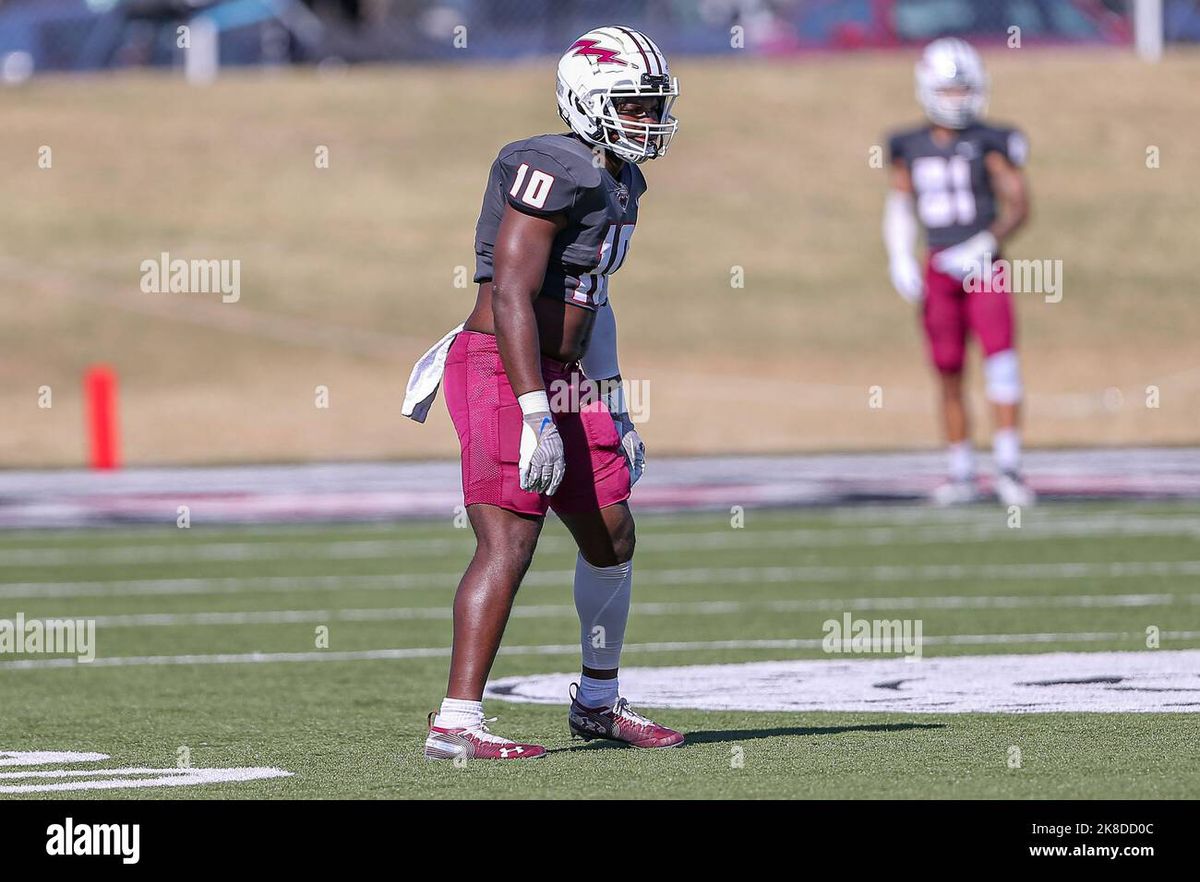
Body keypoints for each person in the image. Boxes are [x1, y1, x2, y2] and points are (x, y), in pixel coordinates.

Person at [403, 26, 685, 760]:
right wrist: (536, 415)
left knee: (612, 532)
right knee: (510, 538)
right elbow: (512, 297)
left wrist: (615, 405)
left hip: (562, 372)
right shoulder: (551, 166)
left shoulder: (620, 178)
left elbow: (594, 302)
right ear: (588, 101)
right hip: (503, 363)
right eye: (634, 105)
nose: (648, 121)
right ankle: (455, 723)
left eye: (653, 106)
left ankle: (596, 704)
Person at [883, 38, 1035, 507]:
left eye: (963, 90)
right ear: (927, 89)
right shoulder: (906, 144)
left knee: (1002, 364)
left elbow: (1019, 202)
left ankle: (1008, 467)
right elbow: (901, 203)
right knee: (948, 370)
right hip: (938, 268)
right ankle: (961, 470)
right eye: (949, 91)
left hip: (984, 268)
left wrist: (985, 243)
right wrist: (899, 255)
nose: (958, 100)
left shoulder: (991, 140)